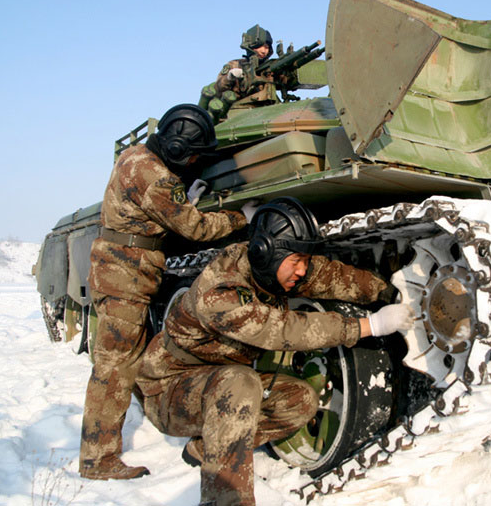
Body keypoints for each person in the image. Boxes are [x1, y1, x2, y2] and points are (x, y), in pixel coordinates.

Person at [136, 197, 414, 506]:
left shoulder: (272, 269)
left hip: (216, 381)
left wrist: (389, 291)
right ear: (265, 252)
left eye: (304, 261)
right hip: (170, 389)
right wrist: (369, 326)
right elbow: (283, 329)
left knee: (301, 401)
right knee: (238, 384)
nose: (302, 270)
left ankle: (205, 448)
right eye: (296, 261)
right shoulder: (220, 293)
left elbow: (329, 277)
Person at [80, 103, 259, 480]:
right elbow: (196, 230)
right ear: (177, 148)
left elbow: (154, 212)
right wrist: (243, 217)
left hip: (121, 269)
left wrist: (182, 199)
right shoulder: (155, 177)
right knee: (115, 367)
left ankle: (151, 415)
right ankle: (98, 458)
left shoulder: (136, 156)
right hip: (124, 274)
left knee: (132, 355)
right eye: (191, 154)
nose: (193, 160)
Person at [200, 24, 278, 120]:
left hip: (267, 113)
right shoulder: (235, 65)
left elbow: (286, 80)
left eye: (267, 47)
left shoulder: (271, 68)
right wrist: (229, 78)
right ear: (252, 45)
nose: (263, 51)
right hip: (236, 114)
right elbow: (217, 89)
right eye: (260, 46)